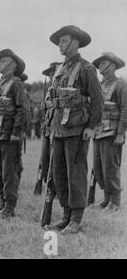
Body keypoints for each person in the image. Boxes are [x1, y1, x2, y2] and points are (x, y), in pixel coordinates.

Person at [45, 25, 103, 234]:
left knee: (76, 174)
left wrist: (91, 127)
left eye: (63, 41)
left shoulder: (86, 68)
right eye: (59, 42)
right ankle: (66, 216)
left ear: (75, 43)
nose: (59, 45)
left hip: (77, 129)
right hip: (59, 129)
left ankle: (76, 219)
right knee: (60, 174)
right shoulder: (60, 68)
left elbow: (97, 100)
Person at [0, 49, 29, 219]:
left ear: (13, 65)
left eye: (4, 61)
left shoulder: (16, 84)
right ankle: (2, 202)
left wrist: (16, 132)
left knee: (9, 170)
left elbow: (23, 110)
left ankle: (10, 206)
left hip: (9, 133)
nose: (0, 64)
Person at [92, 52, 127, 212]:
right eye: (99, 63)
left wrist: (120, 133)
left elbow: (125, 109)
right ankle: (106, 200)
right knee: (99, 168)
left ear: (112, 65)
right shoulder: (100, 85)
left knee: (111, 168)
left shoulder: (120, 85)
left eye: (103, 63)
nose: (100, 66)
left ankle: (115, 202)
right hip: (98, 132)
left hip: (112, 133)